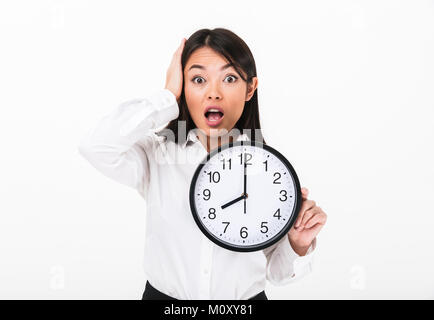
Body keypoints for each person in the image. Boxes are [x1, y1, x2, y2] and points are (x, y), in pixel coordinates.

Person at [78, 28, 327, 300]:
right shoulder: (158, 155)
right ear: (183, 87)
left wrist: (297, 243)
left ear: (250, 89)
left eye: (229, 78)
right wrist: (167, 95)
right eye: (198, 79)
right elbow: (96, 146)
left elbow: (277, 273)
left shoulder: (271, 171)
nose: (213, 93)